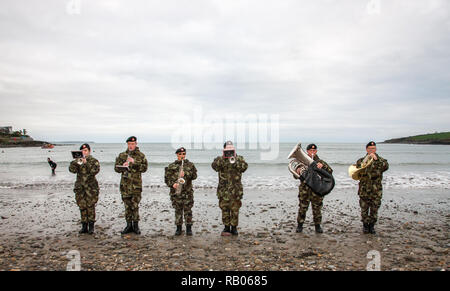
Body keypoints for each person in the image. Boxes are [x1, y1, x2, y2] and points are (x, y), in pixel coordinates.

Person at [211, 141, 248, 236]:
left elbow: (244, 168)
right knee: (225, 209)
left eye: (231, 150)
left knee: (235, 209)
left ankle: (234, 227)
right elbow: (214, 167)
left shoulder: (239, 159)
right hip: (224, 190)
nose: (229, 152)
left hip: (236, 190)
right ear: (224, 150)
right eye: (227, 150)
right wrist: (224, 158)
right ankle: (226, 227)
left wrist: (235, 159)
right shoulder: (220, 159)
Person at [296, 144, 333, 234]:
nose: (312, 152)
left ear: (316, 151)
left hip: (317, 189)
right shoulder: (302, 162)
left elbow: (330, 172)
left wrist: (322, 167)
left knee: (317, 208)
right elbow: (296, 176)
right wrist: (298, 171)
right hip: (305, 189)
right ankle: (300, 225)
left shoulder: (320, 162)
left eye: (314, 150)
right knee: (302, 208)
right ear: (307, 151)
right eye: (310, 150)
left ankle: (317, 226)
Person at [114, 136, 148, 235]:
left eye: (132, 144)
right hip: (125, 185)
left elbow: (144, 168)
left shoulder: (141, 155)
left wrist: (134, 162)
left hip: (136, 185)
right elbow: (116, 169)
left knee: (135, 206)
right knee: (127, 206)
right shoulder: (122, 155)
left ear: (136, 144)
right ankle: (129, 225)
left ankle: (136, 226)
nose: (131, 146)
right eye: (129, 144)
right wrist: (122, 166)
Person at [356, 141, 389, 234]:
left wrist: (376, 160)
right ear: (366, 149)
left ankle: (372, 226)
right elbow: (357, 170)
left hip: (376, 190)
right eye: (370, 149)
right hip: (364, 189)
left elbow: (385, 167)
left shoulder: (381, 160)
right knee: (364, 209)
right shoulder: (361, 160)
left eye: (373, 148)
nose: (371, 150)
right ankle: (365, 226)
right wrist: (365, 161)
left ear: (376, 149)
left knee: (374, 209)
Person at [164, 147, 197, 236]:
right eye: (180, 154)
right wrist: (172, 184)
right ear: (177, 155)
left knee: (188, 210)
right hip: (176, 192)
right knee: (178, 210)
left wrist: (185, 173)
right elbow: (167, 179)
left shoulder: (190, 165)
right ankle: (178, 228)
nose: (182, 156)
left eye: (183, 154)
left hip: (187, 192)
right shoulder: (171, 166)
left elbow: (194, 176)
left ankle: (188, 228)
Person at [68, 144, 100, 234]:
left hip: (91, 187)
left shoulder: (93, 160)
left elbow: (95, 171)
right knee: (82, 206)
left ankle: (91, 226)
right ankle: (84, 226)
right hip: (80, 187)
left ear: (89, 151)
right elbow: (72, 170)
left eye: (86, 150)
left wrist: (86, 163)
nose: (84, 152)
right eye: (82, 151)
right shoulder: (79, 161)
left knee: (90, 206)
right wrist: (75, 162)